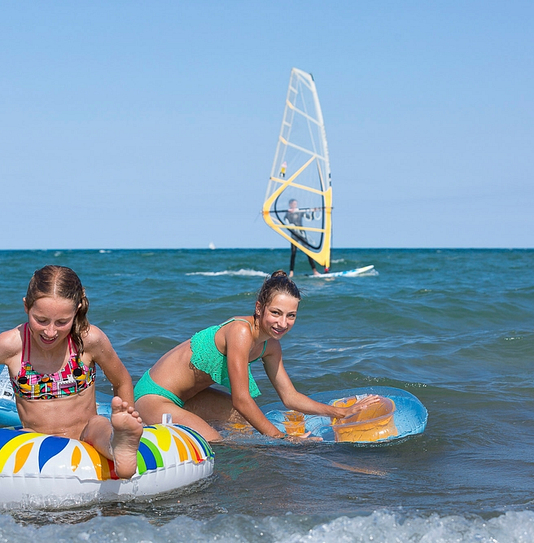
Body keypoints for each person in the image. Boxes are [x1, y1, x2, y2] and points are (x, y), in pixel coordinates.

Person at [134, 270, 379, 442]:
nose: (283, 323)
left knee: (242, 423)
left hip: (191, 397)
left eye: (291, 315)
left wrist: (339, 412)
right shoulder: (240, 331)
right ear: (259, 308)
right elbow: (241, 398)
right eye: (276, 312)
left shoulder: (270, 346)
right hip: (155, 397)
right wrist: (282, 439)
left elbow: (290, 396)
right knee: (215, 441)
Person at [0, 265, 143, 479]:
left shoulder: (88, 340)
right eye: (41, 320)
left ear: (76, 311)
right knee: (22, 437)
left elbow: (121, 380)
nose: (50, 331)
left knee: (98, 425)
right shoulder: (11, 345)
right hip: (35, 438)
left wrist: (125, 413)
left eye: (62, 322)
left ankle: (120, 444)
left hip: (87, 434)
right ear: (26, 307)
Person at [284, 199, 321, 277]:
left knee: (308, 252)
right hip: (294, 234)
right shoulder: (288, 213)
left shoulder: (300, 212)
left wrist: (313, 211)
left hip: (302, 234)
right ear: (290, 204)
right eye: (293, 204)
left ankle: (315, 271)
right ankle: (291, 272)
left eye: (296, 204)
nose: (295, 205)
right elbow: (285, 223)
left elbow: (310, 217)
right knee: (293, 253)